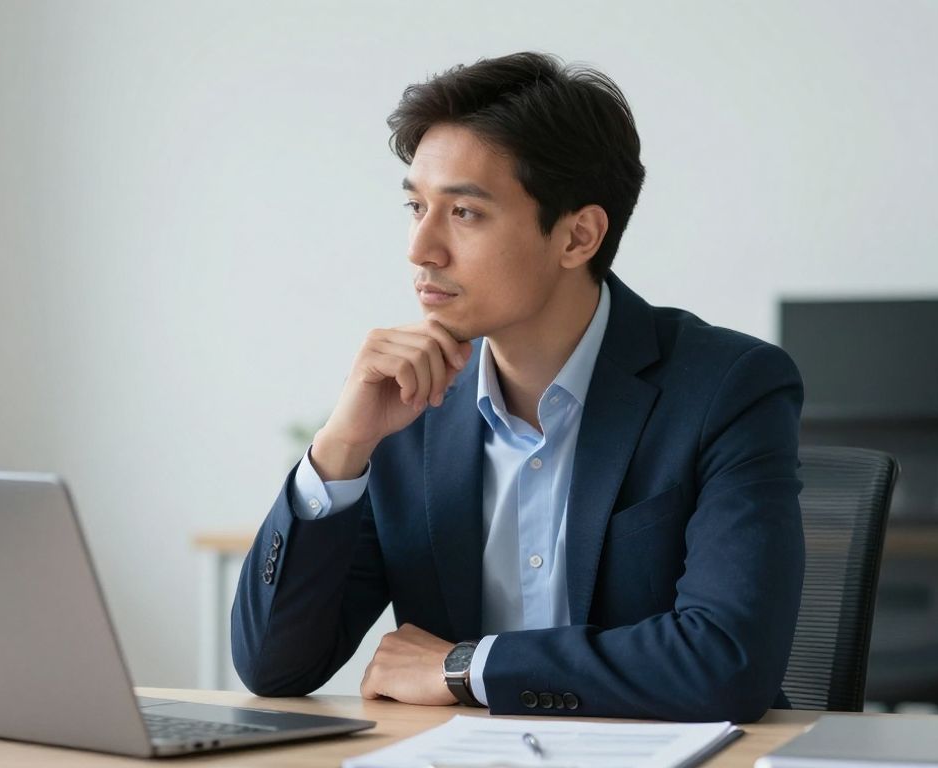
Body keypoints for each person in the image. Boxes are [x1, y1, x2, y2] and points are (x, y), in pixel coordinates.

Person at [231, 51, 804, 723]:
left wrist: (466, 667)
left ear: (578, 236)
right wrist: (340, 448)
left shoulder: (726, 389)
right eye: (416, 206)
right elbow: (274, 668)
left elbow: (726, 662)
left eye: (464, 213)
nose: (421, 248)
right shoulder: (404, 406)